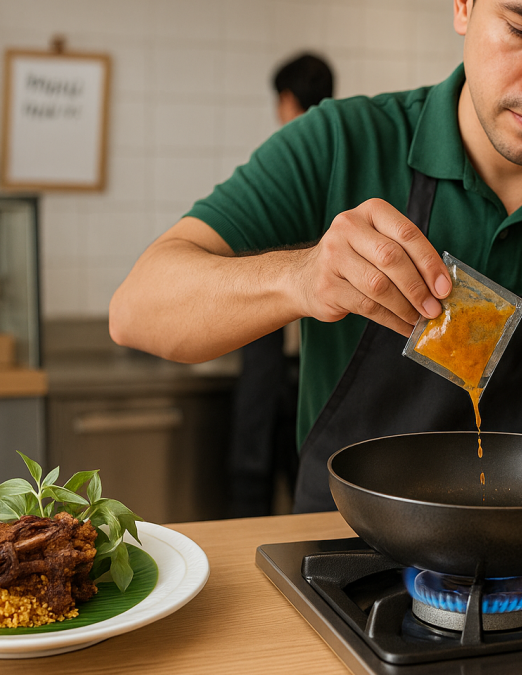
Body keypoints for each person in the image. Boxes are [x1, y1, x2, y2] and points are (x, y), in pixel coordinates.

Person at [110, 0, 522, 513]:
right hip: (336, 558)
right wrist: (301, 277)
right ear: (464, 4)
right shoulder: (340, 144)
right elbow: (137, 310)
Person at [226, 53, 336, 517]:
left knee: (252, 466)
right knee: (306, 466)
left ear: (287, 100)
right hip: (324, 350)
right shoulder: (344, 160)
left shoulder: (286, 163)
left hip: (269, 342)